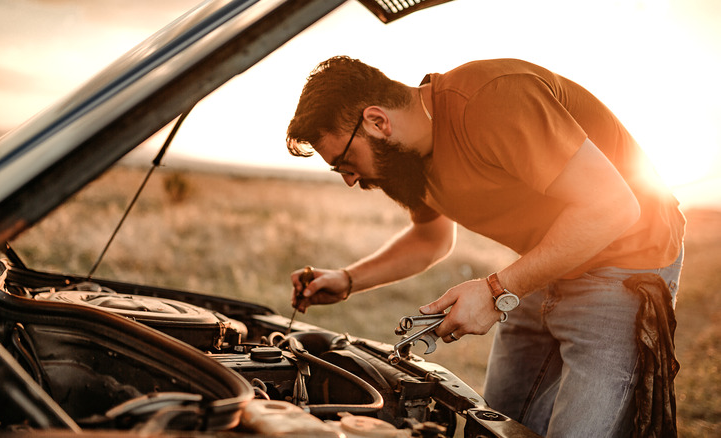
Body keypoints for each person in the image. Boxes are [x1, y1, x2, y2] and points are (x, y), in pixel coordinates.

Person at [284, 56, 685, 437]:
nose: (349, 180)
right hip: (544, 263)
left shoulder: (492, 99)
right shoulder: (406, 161)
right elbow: (431, 238)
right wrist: (348, 279)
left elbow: (613, 207)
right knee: (495, 426)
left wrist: (496, 292)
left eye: (344, 161)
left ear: (377, 121)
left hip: (626, 263)